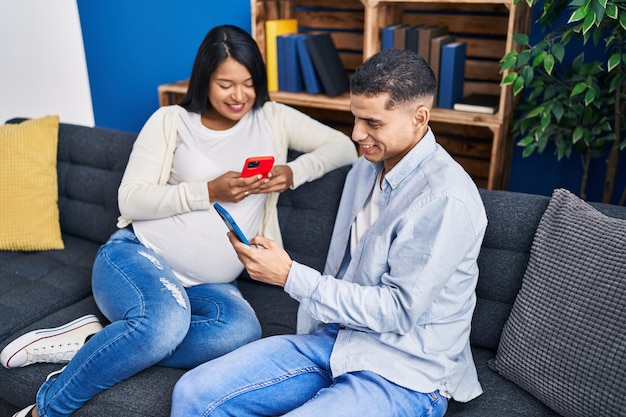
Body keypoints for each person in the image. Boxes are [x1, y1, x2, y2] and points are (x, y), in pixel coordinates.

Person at [2, 24, 356, 417]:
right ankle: (46, 408)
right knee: (161, 326)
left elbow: (343, 146)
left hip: (212, 284)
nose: (240, 96)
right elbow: (130, 199)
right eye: (226, 84)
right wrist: (208, 191)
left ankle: (100, 341)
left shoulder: (272, 118)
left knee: (241, 333)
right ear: (205, 79)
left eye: (249, 83)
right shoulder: (171, 120)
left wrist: (293, 172)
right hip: (141, 256)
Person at [170, 48, 488, 417]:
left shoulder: (445, 199)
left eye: (373, 123)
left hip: (405, 371)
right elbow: (343, 270)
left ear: (419, 118)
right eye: (354, 119)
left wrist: (289, 275)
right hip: (336, 339)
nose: (357, 134)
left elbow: (398, 311)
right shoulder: (363, 172)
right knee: (193, 393)